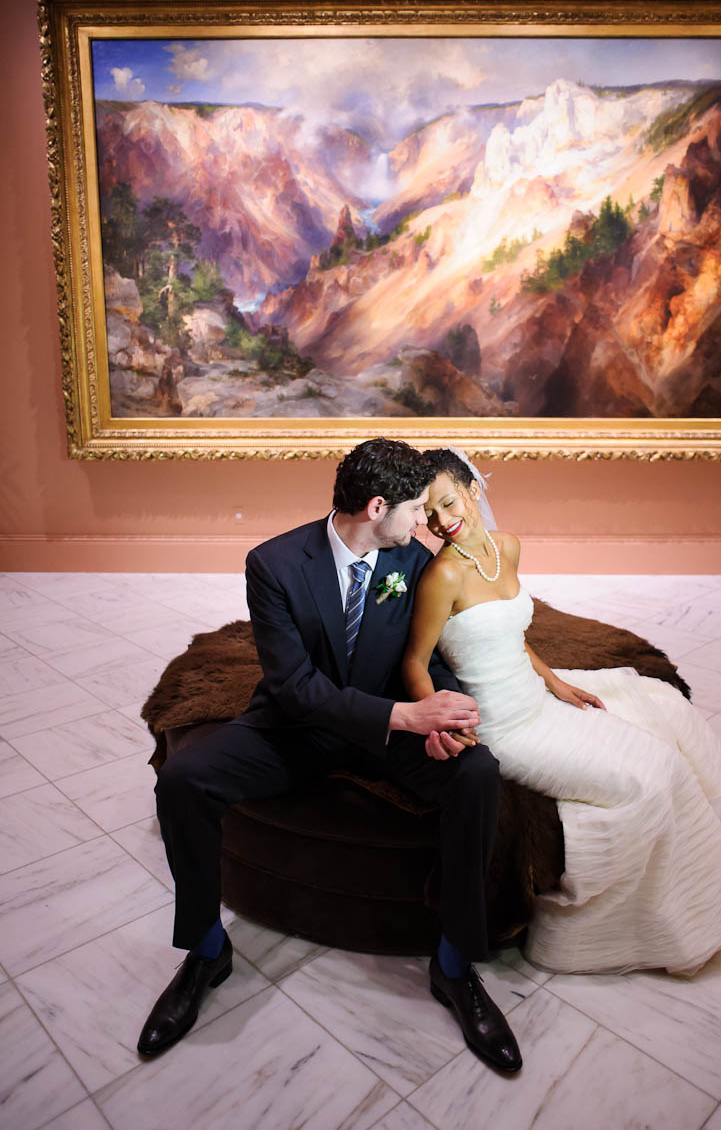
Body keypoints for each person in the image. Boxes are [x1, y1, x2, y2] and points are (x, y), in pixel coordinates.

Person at [137, 438, 522, 1072]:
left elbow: (427, 656)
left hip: (389, 732)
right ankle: (206, 950)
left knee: (477, 773)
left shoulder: (417, 561)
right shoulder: (274, 565)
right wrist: (404, 714)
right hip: (295, 728)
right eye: (415, 510)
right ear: (377, 507)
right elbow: (294, 687)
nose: (425, 523)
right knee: (183, 780)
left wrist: (440, 712)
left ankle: (454, 965)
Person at [402, 448, 721, 976]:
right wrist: (436, 716)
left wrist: (555, 682)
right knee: (647, 782)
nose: (439, 522)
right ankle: (592, 934)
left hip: (535, 698)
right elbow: (415, 659)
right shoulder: (443, 578)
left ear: (474, 490)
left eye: (448, 502)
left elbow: (511, 635)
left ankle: (688, 906)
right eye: (428, 514)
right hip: (504, 727)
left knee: (663, 751)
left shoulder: (508, 547)